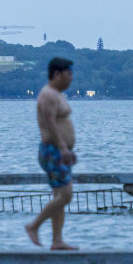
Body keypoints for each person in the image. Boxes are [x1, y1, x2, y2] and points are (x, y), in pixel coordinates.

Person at [25, 57, 78, 250]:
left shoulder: (58, 94)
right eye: (68, 74)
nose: (71, 78)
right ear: (56, 74)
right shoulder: (47, 95)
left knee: (59, 197)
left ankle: (57, 240)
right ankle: (33, 226)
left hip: (61, 150)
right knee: (66, 195)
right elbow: (50, 123)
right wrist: (63, 148)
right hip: (53, 150)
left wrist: (68, 148)